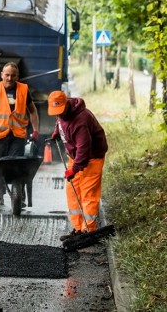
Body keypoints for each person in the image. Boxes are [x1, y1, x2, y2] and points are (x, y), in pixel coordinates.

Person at [47, 90, 108, 242]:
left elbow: (84, 148)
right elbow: (60, 122)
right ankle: (78, 228)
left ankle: (88, 230)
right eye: (56, 112)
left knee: (88, 194)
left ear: (66, 104)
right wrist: (56, 132)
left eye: (60, 111)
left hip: (91, 158)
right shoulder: (61, 112)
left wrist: (74, 169)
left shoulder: (81, 120)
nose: (58, 114)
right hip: (75, 157)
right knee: (73, 192)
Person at [0, 61, 40, 208]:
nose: (10, 78)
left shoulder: (23, 90)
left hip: (18, 136)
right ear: (2, 75)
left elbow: (33, 111)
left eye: (13, 75)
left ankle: (20, 196)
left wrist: (36, 130)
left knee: (17, 166)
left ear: (17, 76)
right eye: (7, 75)